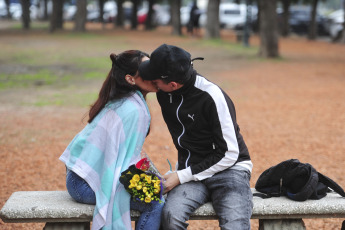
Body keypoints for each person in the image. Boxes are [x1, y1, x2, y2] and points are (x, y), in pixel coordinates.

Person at [138, 44, 253, 230]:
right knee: (169, 217)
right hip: (190, 171)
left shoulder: (212, 97)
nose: (152, 83)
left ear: (173, 84)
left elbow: (230, 154)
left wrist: (181, 176)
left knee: (235, 226)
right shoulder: (164, 94)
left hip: (229, 169)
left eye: (155, 80)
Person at [59, 50, 164, 230]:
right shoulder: (133, 109)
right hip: (85, 184)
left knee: (157, 188)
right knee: (155, 202)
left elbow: (125, 156)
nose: (153, 74)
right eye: (147, 70)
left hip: (79, 178)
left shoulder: (126, 101)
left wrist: (155, 178)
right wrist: (154, 183)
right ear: (130, 79)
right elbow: (121, 166)